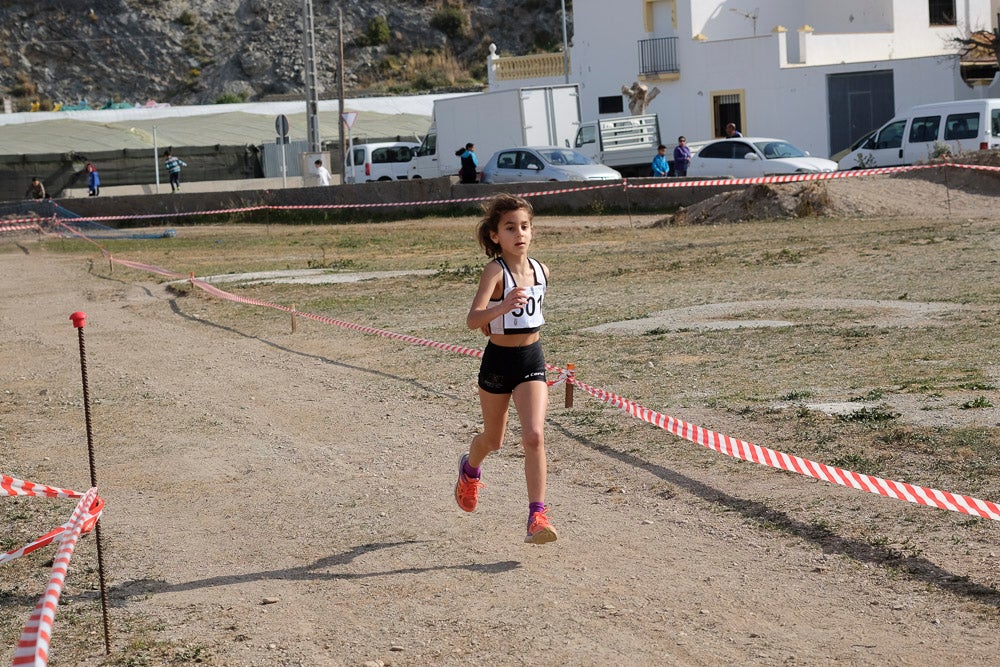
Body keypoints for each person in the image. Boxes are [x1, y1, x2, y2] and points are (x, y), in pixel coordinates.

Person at [456, 193, 557, 545]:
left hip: (531, 359)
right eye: (510, 227)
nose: (520, 234)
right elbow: (473, 319)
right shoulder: (495, 271)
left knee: (534, 436)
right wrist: (498, 311)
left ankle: (537, 516)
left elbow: (531, 316)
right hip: (498, 363)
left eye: (525, 226)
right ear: (496, 235)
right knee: (494, 440)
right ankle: (469, 470)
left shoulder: (542, 270)